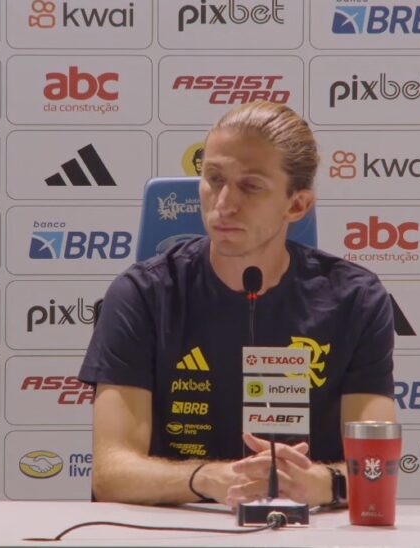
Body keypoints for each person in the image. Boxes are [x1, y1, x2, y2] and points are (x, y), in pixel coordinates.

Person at [78, 101, 396, 509]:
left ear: (296, 205)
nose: (223, 204)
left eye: (250, 186)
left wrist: (324, 482)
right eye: (213, 178)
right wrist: (210, 477)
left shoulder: (356, 299)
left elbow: (376, 463)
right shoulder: (142, 294)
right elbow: (111, 472)